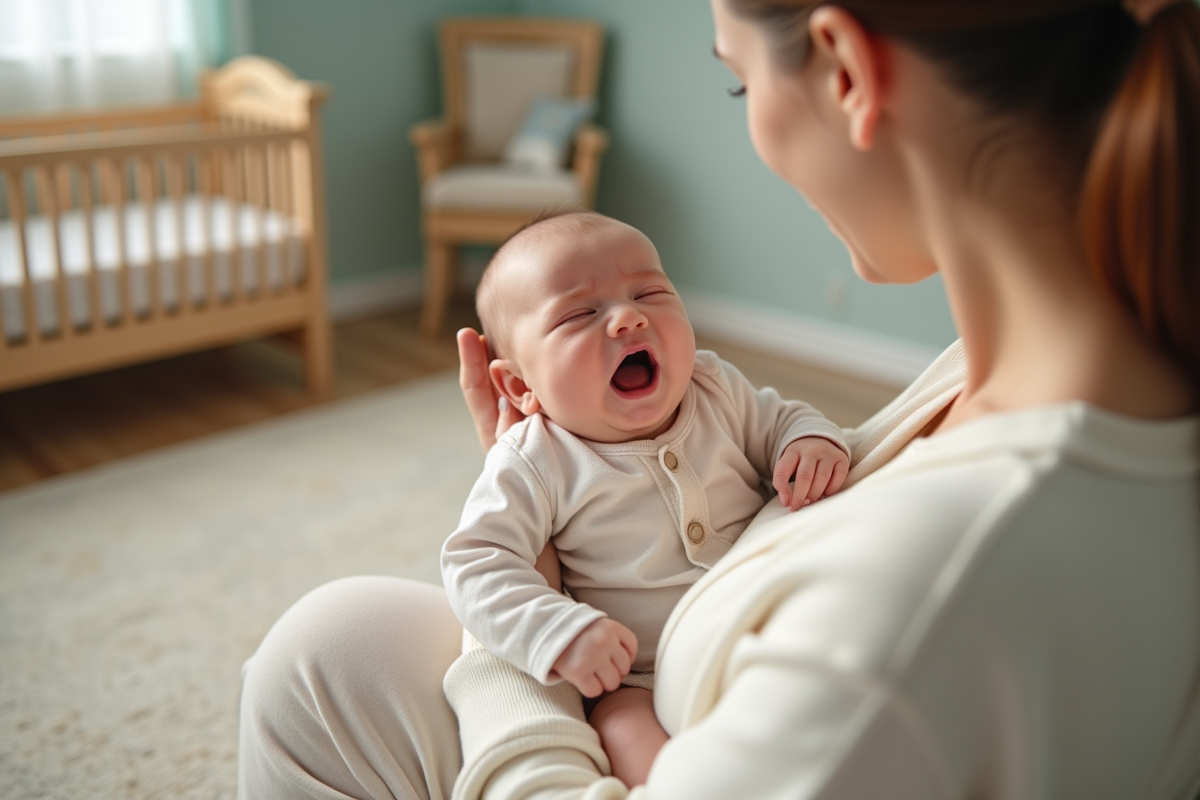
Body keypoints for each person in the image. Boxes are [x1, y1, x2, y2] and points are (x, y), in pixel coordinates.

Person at [237, 1, 1200, 797]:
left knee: (311, 675)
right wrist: (536, 545)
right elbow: (482, 560)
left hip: (624, 699)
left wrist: (528, 657)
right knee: (327, 647)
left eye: (740, 79)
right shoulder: (1023, 369)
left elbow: (795, 456)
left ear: (845, 69)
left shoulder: (916, 617)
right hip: (620, 652)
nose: (627, 322)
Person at [441, 210, 850, 786]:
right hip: (636, 676)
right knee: (621, 730)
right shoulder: (534, 460)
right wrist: (557, 631)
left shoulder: (714, 388)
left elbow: (784, 419)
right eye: (581, 314)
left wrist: (808, 441)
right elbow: (474, 562)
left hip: (762, 620)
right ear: (518, 386)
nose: (629, 317)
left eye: (651, 292)